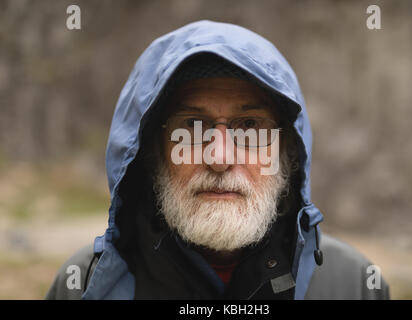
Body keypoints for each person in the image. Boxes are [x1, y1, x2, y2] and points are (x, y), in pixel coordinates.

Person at [46, 20, 389, 300]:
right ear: (152, 154)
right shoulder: (83, 286)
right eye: (193, 127)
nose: (220, 157)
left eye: (251, 126)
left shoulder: (354, 284)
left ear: (288, 153)